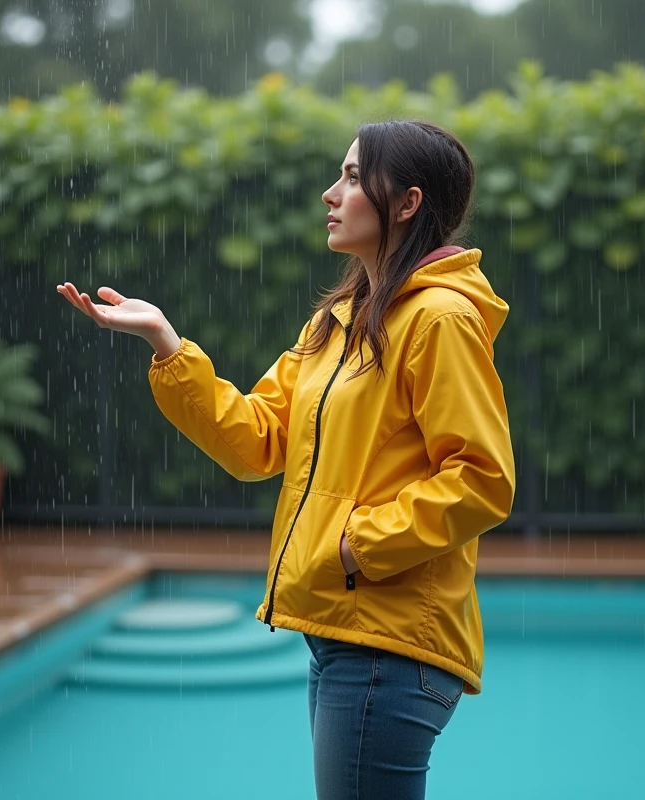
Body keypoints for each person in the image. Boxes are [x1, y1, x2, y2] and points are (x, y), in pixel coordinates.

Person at [58, 119, 515, 800]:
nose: (332, 193)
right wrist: (166, 344)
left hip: (386, 643)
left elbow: (482, 479)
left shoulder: (439, 319)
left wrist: (357, 545)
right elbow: (256, 440)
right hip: (344, 634)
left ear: (409, 202)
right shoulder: (336, 324)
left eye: (355, 177)